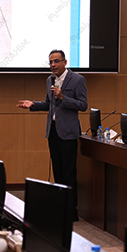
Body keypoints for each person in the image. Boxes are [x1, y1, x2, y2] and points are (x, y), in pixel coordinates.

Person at [17, 49, 87, 219]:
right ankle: (61, 207)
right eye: (50, 62)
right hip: (53, 132)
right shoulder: (50, 80)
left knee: (69, 173)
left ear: (65, 62)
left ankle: (71, 211)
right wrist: (33, 104)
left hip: (68, 133)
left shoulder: (77, 79)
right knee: (58, 172)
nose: (53, 65)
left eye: (56, 61)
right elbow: (49, 104)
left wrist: (63, 97)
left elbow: (83, 105)